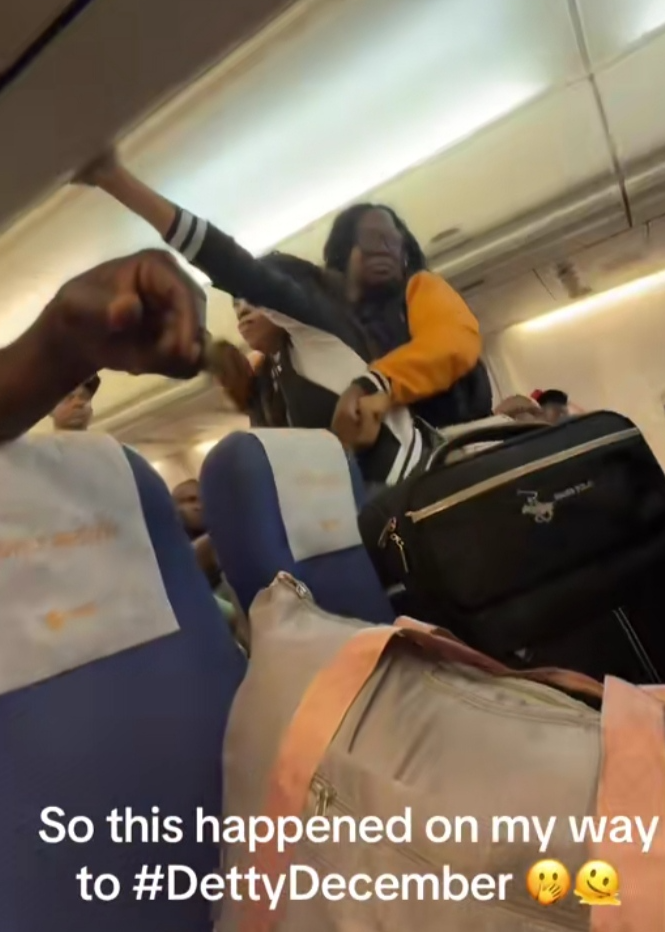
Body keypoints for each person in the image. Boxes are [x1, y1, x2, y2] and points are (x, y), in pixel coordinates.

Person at [75, 151, 421, 485]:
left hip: (409, 487)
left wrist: (115, 180)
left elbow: (230, 263)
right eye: (235, 306)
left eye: (252, 302)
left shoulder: (322, 330)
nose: (241, 310)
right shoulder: (275, 375)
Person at [323, 204, 493, 452]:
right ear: (346, 251)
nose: (384, 249)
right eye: (371, 240)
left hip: (462, 443)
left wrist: (374, 384)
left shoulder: (421, 286)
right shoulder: (333, 326)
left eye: (392, 241)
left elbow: (451, 344)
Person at [0, 249, 204, 443]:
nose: (78, 403)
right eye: (69, 397)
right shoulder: (35, 457)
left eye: (83, 397)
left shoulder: (112, 454)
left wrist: (66, 340)